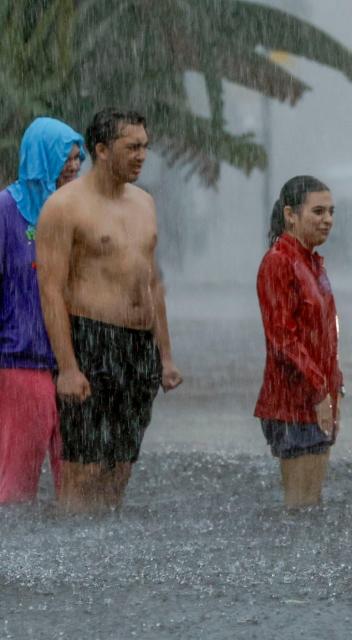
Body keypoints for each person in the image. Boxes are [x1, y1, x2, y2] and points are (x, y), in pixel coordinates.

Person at [35, 108, 182, 513]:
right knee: (84, 465)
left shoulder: (145, 203)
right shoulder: (64, 207)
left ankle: (105, 555)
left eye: (145, 147)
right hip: (91, 341)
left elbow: (153, 282)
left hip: (138, 348)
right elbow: (50, 291)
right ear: (100, 149)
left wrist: (165, 357)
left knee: (121, 463)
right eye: (131, 147)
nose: (141, 155)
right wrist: (67, 366)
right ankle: (71, 554)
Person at [0, 117, 84, 504]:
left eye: (77, 158)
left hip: (73, 365)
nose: (73, 166)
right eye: (64, 158)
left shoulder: (77, 213)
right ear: (39, 160)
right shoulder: (6, 211)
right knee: (16, 484)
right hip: (20, 362)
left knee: (80, 484)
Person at [255, 176, 342, 508]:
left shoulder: (312, 262)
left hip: (317, 397)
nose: (328, 220)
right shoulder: (279, 261)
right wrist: (320, 388)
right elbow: (281, 338)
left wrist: (337, 387)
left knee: (311, 505)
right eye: (318, 211)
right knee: (300, 507)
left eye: (331, 212)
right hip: (291, 401)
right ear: (290, 214)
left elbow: (326, 333)